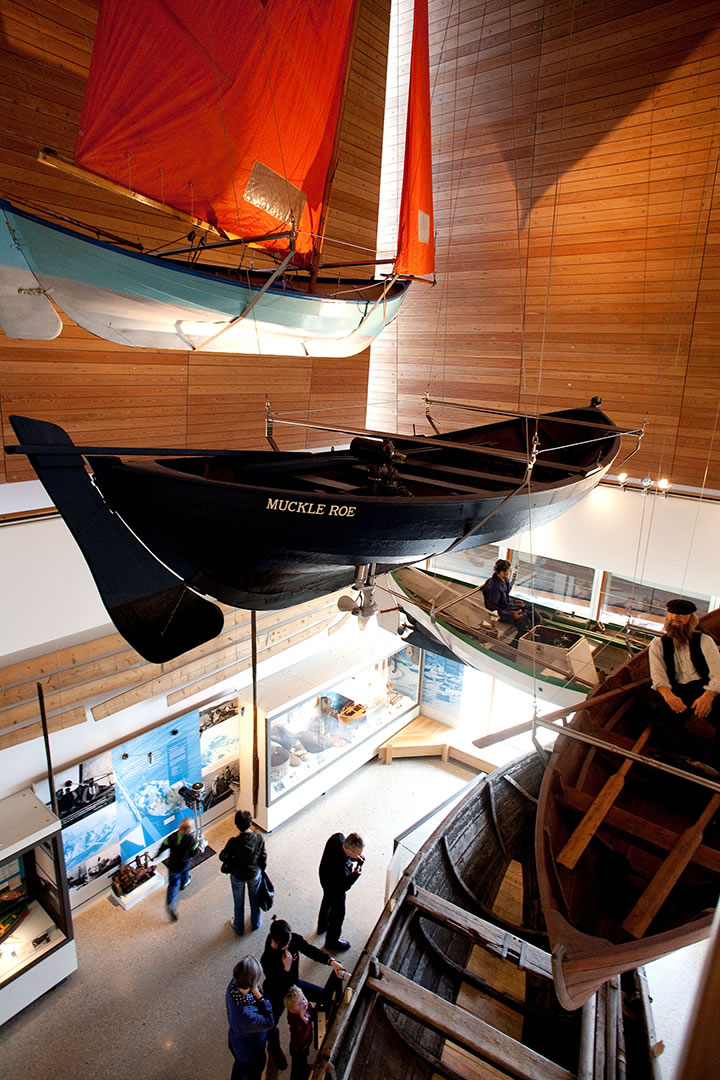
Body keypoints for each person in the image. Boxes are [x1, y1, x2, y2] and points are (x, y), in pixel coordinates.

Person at [261, 916, 346, 1070]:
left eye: (290, 941)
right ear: (276, 943)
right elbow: (278, 985)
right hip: (277, 992)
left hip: (294, 985)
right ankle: (274, 1049)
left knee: (323, 996)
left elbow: (308, 949)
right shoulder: (267, 959)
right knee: (270, 1023)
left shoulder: (291, 939)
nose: (289, 945)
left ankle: (322, 1025)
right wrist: (286, 968)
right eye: (286, 944)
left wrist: (330, 961)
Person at [648, 598, 720, 764]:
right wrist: (668, 696)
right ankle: (675, 758)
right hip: (676, 691)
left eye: (681, 615)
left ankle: (714, 765)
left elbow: (718, 674)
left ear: (690, 618)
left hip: (704, 689)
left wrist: (708, 697)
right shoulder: (658, 645)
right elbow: (659, 677)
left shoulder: (704, 641)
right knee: (661, 719)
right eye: (672, 614)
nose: (676, 618)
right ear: (667, 616)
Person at [226, 954, 275, 1080]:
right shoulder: (246, 1016)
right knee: (252, 1072)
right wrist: (259, 996)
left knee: (239, 1065)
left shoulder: (233, 985)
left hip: (236, 1041)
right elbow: (269, 1022)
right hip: (250, 1052)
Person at [219, 810, 267, 935]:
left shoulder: (233, 842)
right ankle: (255, 923)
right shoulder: (258, 838)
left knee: (238, 901)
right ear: (250, 822)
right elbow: (263, 856)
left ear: (236, 825)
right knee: (255, 899)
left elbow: (222, 857)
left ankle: (239, 927)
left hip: (237, 875)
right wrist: (262, 869)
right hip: (254, 873)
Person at [317, 831, 364, 951]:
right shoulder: (340, 868)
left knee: (327, 900)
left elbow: (345, 856)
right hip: (335, 886)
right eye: (358, 853)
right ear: (349, 851)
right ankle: (331, 942)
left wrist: (353, 859)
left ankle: (322, 926)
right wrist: (355, 874)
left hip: (324, 875)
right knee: (338, 914)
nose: (360, 855)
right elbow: (344, 886)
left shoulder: (338, 837)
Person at [482, 558, 541, 642]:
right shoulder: (494, 588)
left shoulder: (504, 580)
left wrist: (514, 602)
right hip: (503, 612)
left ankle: (535, 636)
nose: (510, 572)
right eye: (509, 570)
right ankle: (514, 647)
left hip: (508, 606)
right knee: (524, 627)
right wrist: (511, 615)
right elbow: (492, 608)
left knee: (533, 613)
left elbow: (504, 597)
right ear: (502, 572)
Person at [155, 816, 198, 922]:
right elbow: (194, 852)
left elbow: (164, 844)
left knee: (173, 884)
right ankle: (184, 882)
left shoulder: (173, 837)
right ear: (189, 830)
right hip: (184, 863)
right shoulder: (191, 840)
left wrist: (158, 854)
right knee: (185, 871)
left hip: (173, 865)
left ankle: (171, 904)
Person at [283, 986, 314, 1080]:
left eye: (304, 998)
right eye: (299, 1004)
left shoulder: (305, 1006)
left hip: (305, 1044)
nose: (304, 1003)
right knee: (297, 1069)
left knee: (304, 1059)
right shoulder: (296, 1023)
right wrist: (306, 1023)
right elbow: (301, 1038)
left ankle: (305, 1068)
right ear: (292, 1010)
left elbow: (311, 1011)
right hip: (298, 1049)